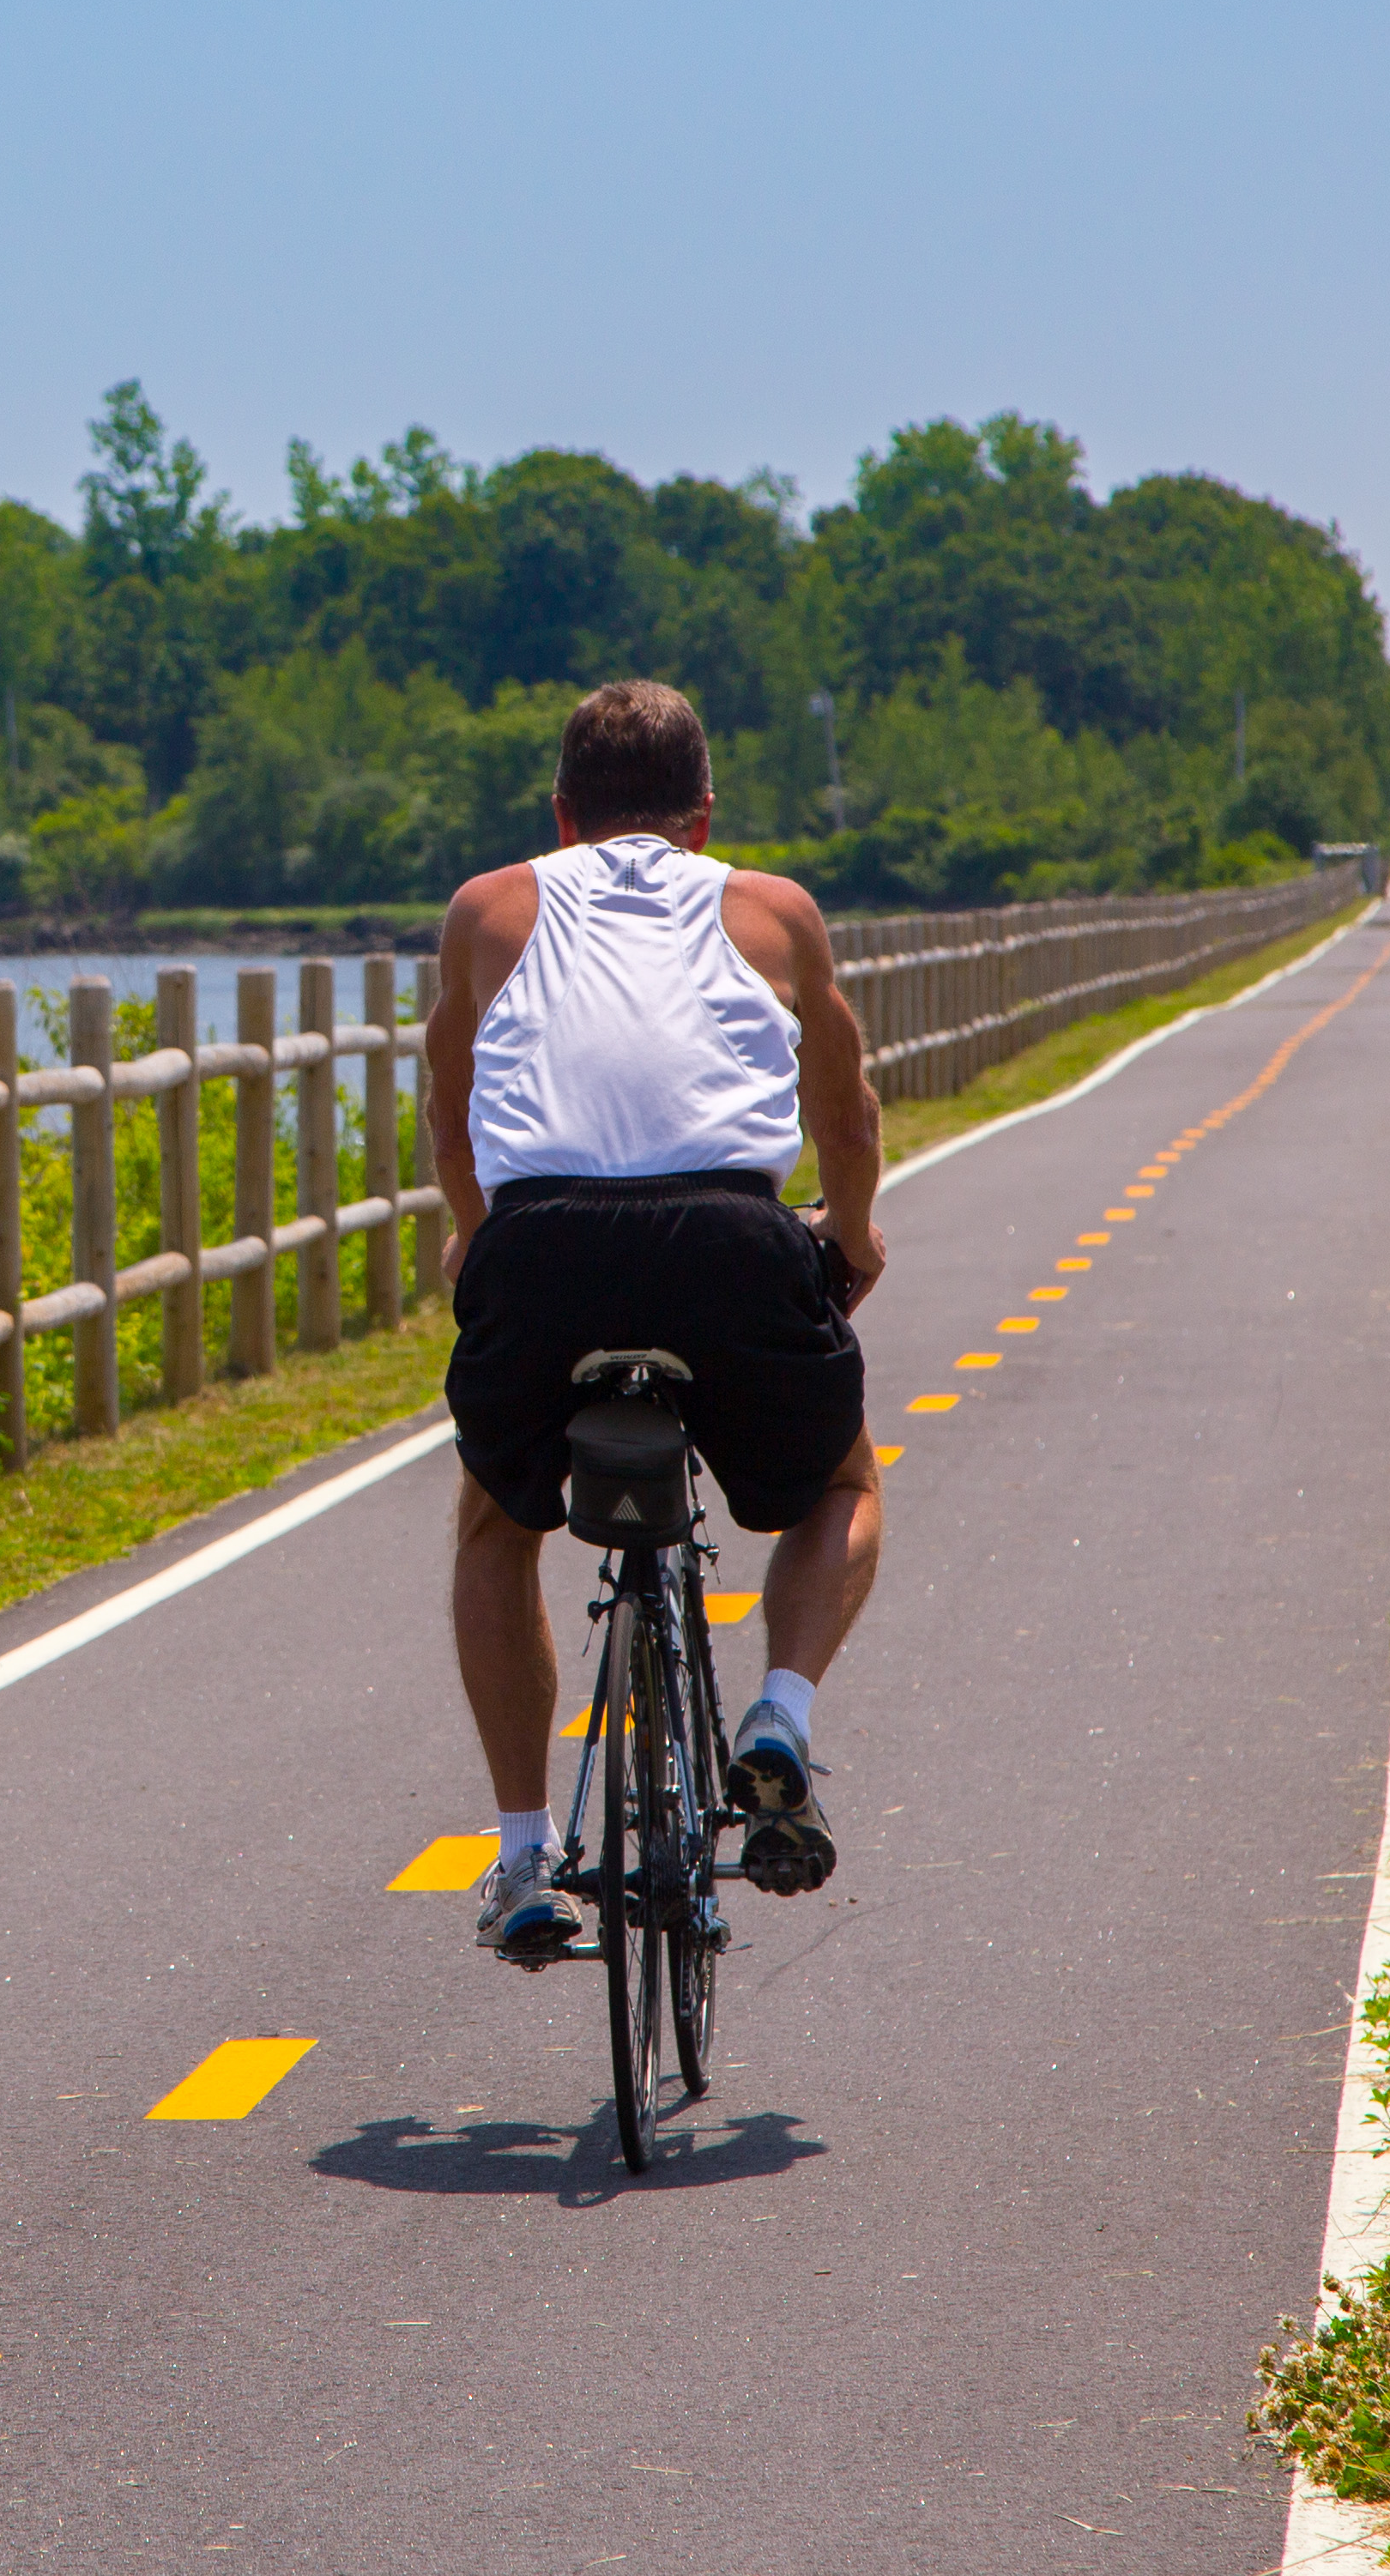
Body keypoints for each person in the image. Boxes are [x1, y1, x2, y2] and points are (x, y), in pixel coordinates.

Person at [423, 680, 887, 1968]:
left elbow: (452, 1105)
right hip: (729, 1242)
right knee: (841, 1484)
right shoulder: (771, 908)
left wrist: (475, 1232)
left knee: (494, 1523)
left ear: (562, 814)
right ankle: (779, 1718)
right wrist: (853, 1235)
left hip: (544, 1248)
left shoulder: (492, 907)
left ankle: (521, 1855)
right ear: (705, 813)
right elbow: (842, 1116)